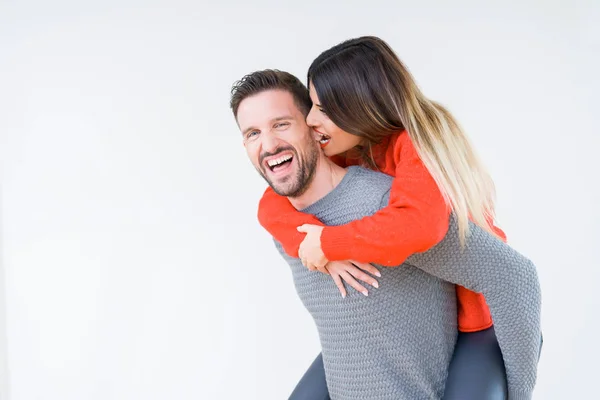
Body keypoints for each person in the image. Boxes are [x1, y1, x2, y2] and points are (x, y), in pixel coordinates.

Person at [230, 69, 541, 399]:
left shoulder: (388, 206)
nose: (268, 144)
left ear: (312, 125)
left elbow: (514, 276)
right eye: (252, 133)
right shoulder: (285, 226)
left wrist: (515, 392)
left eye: (281, 124)